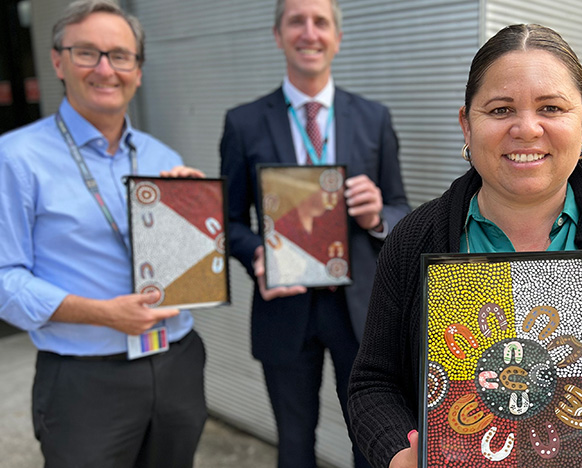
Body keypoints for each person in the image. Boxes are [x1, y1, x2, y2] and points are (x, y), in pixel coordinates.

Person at [347, 24, 582, 468]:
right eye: (500, 110)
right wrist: (399, 456)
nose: (526, 128)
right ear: (466, 123)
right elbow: (372, 384)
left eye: (551, 107)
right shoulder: (413, 240)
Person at [0, 1, 208, 466]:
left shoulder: (161, 156)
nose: (105, 69)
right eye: (86, 53)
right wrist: (102, 314)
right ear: (57, 60)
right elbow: (3, 279)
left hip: (176, 362)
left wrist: (195, 217)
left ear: (137, 69)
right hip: (84, 382)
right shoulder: (14, 159)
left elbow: (182, 270)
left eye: (120, 55)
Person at [219, 0, 410, 466]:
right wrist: (257, 254)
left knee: (372, 444)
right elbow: (226, 222)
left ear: (337, 39)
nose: (309, 32)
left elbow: (402, 208)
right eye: (296, 21)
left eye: (320, 22)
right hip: (285, 304)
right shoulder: (243, 122)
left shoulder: (373, 118)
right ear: (278, 34)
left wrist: (376, 216)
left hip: (360, 309)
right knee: (294, 443)